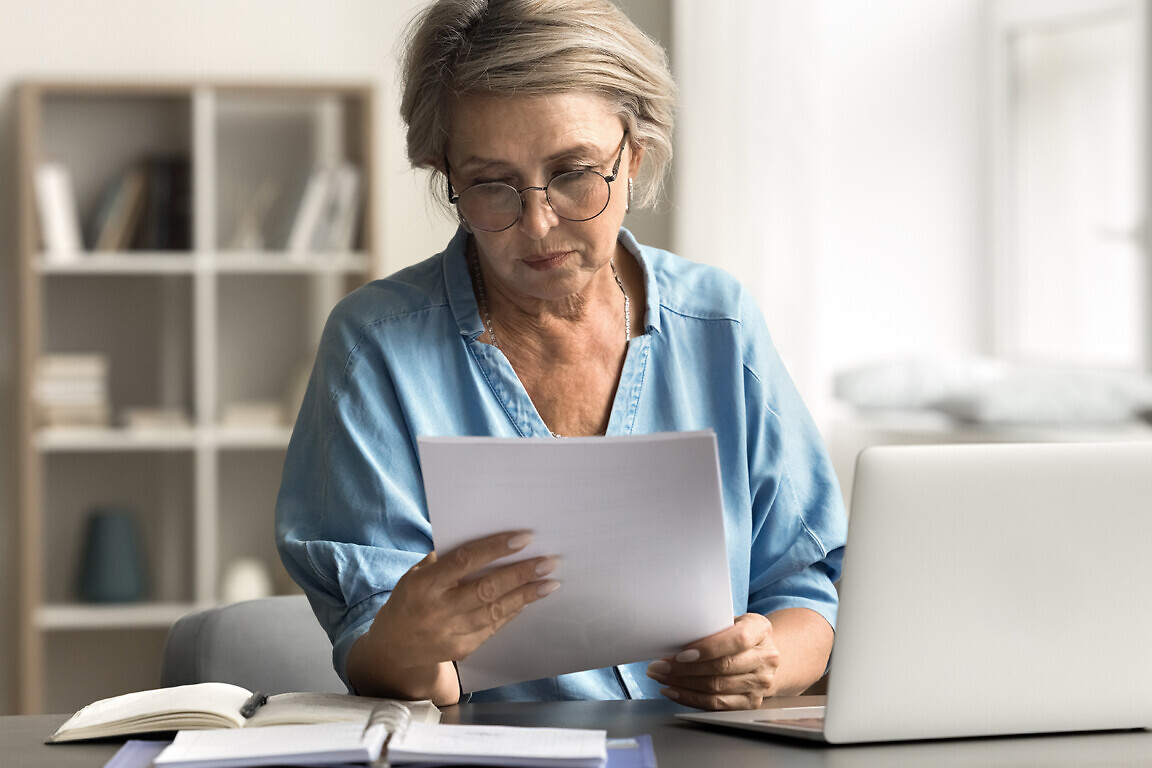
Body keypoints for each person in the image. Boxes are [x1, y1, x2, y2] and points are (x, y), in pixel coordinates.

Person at [275, 0, 846, 712]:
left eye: (575, 172)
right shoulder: (376, 347)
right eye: (491, 184)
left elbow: (807, 587)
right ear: (443, 171)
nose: (539, 224)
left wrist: (769, 659)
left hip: (711, 746)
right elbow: (386, 657)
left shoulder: (719, 324)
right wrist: (410, 640)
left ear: (633, 155)